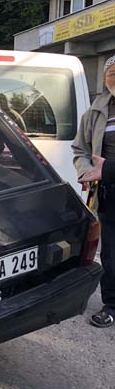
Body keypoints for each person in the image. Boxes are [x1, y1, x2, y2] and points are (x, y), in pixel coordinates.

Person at [73, 53, 115, 328]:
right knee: (111, 254)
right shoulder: (95, 112)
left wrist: (106, 168)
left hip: (108, 175)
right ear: (104, 79)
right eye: (112, 73)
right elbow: (80, 149)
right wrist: (86, 171)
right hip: (109, 194)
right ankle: (111, 305)